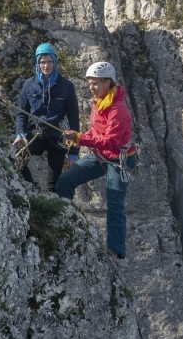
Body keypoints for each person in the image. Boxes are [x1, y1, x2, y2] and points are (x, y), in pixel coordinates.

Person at [57, 61, 137, 262]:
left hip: (120, 159)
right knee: (65, 182)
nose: (91, 88)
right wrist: (79, 138)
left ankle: (116, 253)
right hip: (99, 155)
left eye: (94, 83)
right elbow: (96, 131)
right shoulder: (98, 101)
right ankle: (63, 226)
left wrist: (79, 138)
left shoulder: (118, 110)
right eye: (89, 83)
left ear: (107, 82)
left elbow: (110, 142)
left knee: (115, 204)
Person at [14, 43, 80, 193]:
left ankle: (51, 203)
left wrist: (74, 153)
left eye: (50, 61)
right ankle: (31, 189)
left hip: (58, 136)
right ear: (37, 62)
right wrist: (20, 133)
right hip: (35, 133)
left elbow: (73, 119)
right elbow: (22, 113)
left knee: (53, 183)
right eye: (42, 62)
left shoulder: (66, 86)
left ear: (55, 62)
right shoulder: (29, 85)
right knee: (17, 158)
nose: (46, 65)